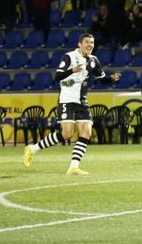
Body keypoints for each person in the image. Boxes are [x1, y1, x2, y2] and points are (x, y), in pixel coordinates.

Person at [22, 33, 121, 174]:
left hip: (82, 101)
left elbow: (102, 79)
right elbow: (57, 76)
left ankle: (73, 167)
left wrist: (111, 78)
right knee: (67, 133)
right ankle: (32, 149)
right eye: (87, 42)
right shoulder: (69, 57)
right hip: (67, 100)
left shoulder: (94, 60)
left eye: (92, 42)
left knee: (86, 131)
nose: (90, 45)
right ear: (80, 44)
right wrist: (72, 70)